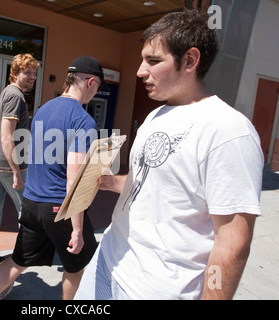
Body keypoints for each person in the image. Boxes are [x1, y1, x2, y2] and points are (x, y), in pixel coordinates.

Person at [75, 9, 264, 300]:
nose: (140, 71)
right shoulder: (156, 115)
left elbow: (232, 243)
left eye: (152, 60)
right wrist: (110, 181)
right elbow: (153, 185)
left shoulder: (229, 131)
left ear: (189, 60)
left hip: (154, 288)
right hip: (107, 261)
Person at [0, 56, 103, 300]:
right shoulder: (83, 120)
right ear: (90, 81)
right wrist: (77, 229)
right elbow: (74, 180)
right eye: (97, 87)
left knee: (17, 261)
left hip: (32, 203)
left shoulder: (44, 109)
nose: (95, 93)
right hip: (60, 208)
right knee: (75, 269)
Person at [0, 54, 40, 268]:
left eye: (34, 73)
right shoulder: (15, 96)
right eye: (27, 72)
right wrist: (16, 171)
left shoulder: (7, 92)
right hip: (7, 164)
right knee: (27, 210)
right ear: (15, 73)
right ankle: (28, 253)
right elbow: (6, 136)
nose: (32, 76)